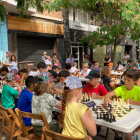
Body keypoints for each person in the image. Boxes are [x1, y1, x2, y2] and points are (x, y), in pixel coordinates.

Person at [104, 69, 140, 140]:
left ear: (135, 81)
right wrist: (106, 97)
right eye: (125, 79)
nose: (125, 82)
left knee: (126, 131)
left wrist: (133, 102)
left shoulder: (138, 90)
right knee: (110, 122)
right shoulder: (121, 88)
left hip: (135, 118)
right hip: (123, 116)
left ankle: (129, 137)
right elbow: (110, 94)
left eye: (128, 80)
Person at [32, 72, 62, 137]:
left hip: (36, 128)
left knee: (54, 120)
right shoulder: (48, 97)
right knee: (61, 123)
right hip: (46, 129)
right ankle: (53, 138)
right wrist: (62, 93)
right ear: (49, 83)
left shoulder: (34, 95)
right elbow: (63, 106)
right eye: (52, 82)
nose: (54, 84)